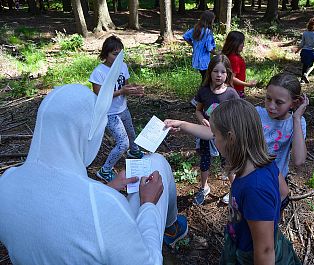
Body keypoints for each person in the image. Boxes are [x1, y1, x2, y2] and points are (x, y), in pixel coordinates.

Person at [0, 53, 188, 264]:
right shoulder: (103, 206)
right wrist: (148, 205)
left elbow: (53, 215)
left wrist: (109, 187)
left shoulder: (6, 183)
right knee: (157, 162)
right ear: (87, 135)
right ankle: (171, 227)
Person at [165, 99, 300, 264]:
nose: (213, 139)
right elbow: (284, 193)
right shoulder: (264, 162)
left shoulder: (254, 189)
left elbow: (264, 251)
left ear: (230, 138)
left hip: (249, 255)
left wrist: (262, 219)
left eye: (215, 136)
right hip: (241, 239)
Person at [89, 35, 144, 182]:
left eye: (120, 54)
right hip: (109, 113)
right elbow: (99, 96)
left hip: (123, 109)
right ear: (105, 54)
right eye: (114, 54)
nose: (118, 57)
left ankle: (134, 152)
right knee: (123, 143)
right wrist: (121, 92)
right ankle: (105, 170)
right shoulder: (99, 72)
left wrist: (135, 89)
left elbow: (125, 85)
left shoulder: (123, 66)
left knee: (132, 135)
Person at [193, 54, 240, 205]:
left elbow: (238, 113)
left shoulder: (231, 93)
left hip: (225, 135)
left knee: (227, 161)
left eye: (223, 72)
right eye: (215, 71)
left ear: (228, 74)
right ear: (209, 72)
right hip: (206, 133)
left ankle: (235, 189)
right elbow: (198, 110)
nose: (219, 75)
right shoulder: (204, 91)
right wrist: (202, 120)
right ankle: (204, 187)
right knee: (205, 159)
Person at [256, 73, 307, 210]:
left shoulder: (297, 123)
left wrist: (296, 118)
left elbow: (299, 160)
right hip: (252, 178)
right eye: (268, 99)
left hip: (276, 182)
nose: (271, 106)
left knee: (270, 222)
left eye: (279, 102)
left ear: (293, 103)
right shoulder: (257, 114)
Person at [183, 10, 217, 107]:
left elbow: (185, 36)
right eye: (213, 20)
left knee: (205, 79)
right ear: (210, 21)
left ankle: (200, 99)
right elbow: (209, 48)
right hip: (204, 61)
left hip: (196, 60)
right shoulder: (207, 32)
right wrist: (218, 53)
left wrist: (193, 45)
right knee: (206, 81)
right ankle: (196, 100)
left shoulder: (196, 29)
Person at [221, 31, 257, 98]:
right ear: (235, 43)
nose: (243, 45)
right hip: (236, 91)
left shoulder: (229, 56)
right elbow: (231, 78)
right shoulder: (235, 59)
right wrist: (248, 84)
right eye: (241, 42)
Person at [295, 18, 314, 84]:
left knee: (305, 65)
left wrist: (298, 50)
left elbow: (302, 43)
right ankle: (306, 74)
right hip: (311, 52)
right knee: (312, 66)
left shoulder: (305, 33)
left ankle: (302, 80)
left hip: (304, 51)